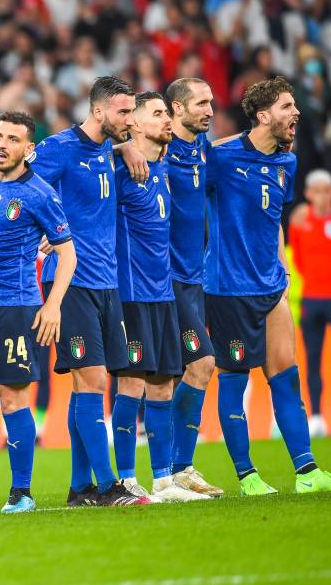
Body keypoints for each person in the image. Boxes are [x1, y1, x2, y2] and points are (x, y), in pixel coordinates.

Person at [205, 77, 331, 495]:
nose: (296, 113)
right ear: (263, 115)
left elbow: (274, 222)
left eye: (295, 106)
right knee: (234, 380)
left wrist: (284, 271)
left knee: (285, 377)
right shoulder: (219, 157)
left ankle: (307, 472)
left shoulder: (287, 163)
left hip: (271, 286)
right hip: (228, 289)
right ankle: (246, 475)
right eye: (287, 106)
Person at [29, 76, 150, 507]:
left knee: (89, 384)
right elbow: (22, 186)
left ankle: (80, 488)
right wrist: (44, 231)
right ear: (98, 111)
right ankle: (105, 486)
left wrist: (124, 145)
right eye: (123, 112)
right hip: (70, 281)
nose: (130, 120)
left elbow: (113, 145)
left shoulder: (105, 147)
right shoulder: (58, 149)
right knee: (93, 380)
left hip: (106, 282)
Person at [0, 111, 76, 513]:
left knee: (14, 397)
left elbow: (67, 254)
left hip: (16, 306)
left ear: (29, 150)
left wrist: (53, 305)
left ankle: (22, 493)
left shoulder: (40, 194)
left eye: (13, 139)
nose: (2, 144)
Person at [112, 91, 211, 503]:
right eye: (156, 114)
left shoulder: (165, 166)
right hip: (131, 294)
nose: (166, 119)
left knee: (163, 386)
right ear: (134, 124)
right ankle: (127, 478)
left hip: (164, 293)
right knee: (130, 385)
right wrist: (119, 145)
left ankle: (164, 480)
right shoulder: (117, 168)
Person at [163, 77, 224, 497]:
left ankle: (176, 468)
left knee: (190, 369)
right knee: (198, 365)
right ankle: (174, 468)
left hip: (193, 277)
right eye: (200, 103)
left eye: (212, 103)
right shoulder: (156, 151)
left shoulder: (203, 149)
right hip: (162, 279)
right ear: (176, 110)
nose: (209, 110)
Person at [289, 169, 331, 437]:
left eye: (325, 190)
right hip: (313, 298)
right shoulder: (300, 222)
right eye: (315, 191)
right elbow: (299, 260)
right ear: (308, 194)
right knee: (313, 359)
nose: (321, 196)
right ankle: (316, 416)